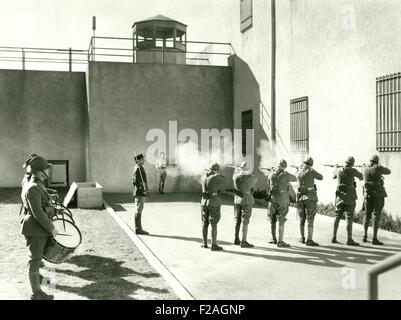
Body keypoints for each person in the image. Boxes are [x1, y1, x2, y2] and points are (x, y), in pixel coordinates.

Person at [20, 155, 59, 300]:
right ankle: (36, 294)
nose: (48, 172)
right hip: (35, 228)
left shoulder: (38, 184)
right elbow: (38, 213)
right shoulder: (33, 188)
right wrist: (52, 228)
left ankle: (38, 283)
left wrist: (54, 210)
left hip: (38, 228)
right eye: (46, 170)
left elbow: (44, 206)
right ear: (40, 172)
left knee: (37, 258)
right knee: (35, 260)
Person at [331, 156, 363, 246]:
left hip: (339, 197)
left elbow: (333, 176)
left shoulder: (338, 170)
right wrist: (363, 168)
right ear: (352, 163)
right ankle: (349, 239)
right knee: (349, 217)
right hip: (350, 196)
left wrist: (335, 167)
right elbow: (361, 177)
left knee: (337, 216)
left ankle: (334, 237)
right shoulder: (353, 170)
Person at [362, 154, 391, 245]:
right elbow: (388, 171)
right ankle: (374, 238)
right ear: (376, 162)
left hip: (367, 195)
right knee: (376, 216)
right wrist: (379, 166)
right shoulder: (378, 167)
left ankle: (365, 236)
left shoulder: (364, 168)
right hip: (378, 195)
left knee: (366, 216)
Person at [268, 159, 297, 248]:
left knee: (272, 218)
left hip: (272, 199)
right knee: (281, 219)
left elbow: (268, 185)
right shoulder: (286, 175)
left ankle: (273, 238)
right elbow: (295, 179)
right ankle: (280, 241)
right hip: (282, 199)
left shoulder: (271, 174)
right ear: (284, 167)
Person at [296, 156, 323, 246]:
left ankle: (302, 237)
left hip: (300, 197)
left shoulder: (298, 171)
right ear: (311, 164)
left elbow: (297, 176)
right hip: (310, 197)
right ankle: (309, 240)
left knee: (301, 218)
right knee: (310, 219)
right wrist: (312, 170)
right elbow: (321, 177)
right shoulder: (311, 171)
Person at [200, 163, 226, 251]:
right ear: (216, 170)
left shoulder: (204, 177)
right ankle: (213, 244)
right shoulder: (215, 177)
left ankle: (204, 242)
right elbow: (225, 180)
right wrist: (218, 174)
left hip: (204, 202)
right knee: (213, 223)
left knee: (205, 223)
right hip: (213, 202)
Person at [233, 161, 257, 248]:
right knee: (245, 220)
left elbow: (238, 176)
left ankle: (236, 239)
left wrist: (240, 171)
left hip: (237, 200)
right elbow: (254, 180)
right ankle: (244, 241)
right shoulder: (249, 177)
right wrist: (244, 172)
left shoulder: (235, 176)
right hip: (246, 200)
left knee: (237, 220)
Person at [132, 153, 149, 235]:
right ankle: (138, 229)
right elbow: (135, 181)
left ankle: (139, 228)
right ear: (138, 160)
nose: (144, 160)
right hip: (139, 192)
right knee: (138, 209)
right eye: (142, 159)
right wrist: (143, 189)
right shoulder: (138, 168)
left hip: (141, 191)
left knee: (139, 209)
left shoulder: (139, 167)